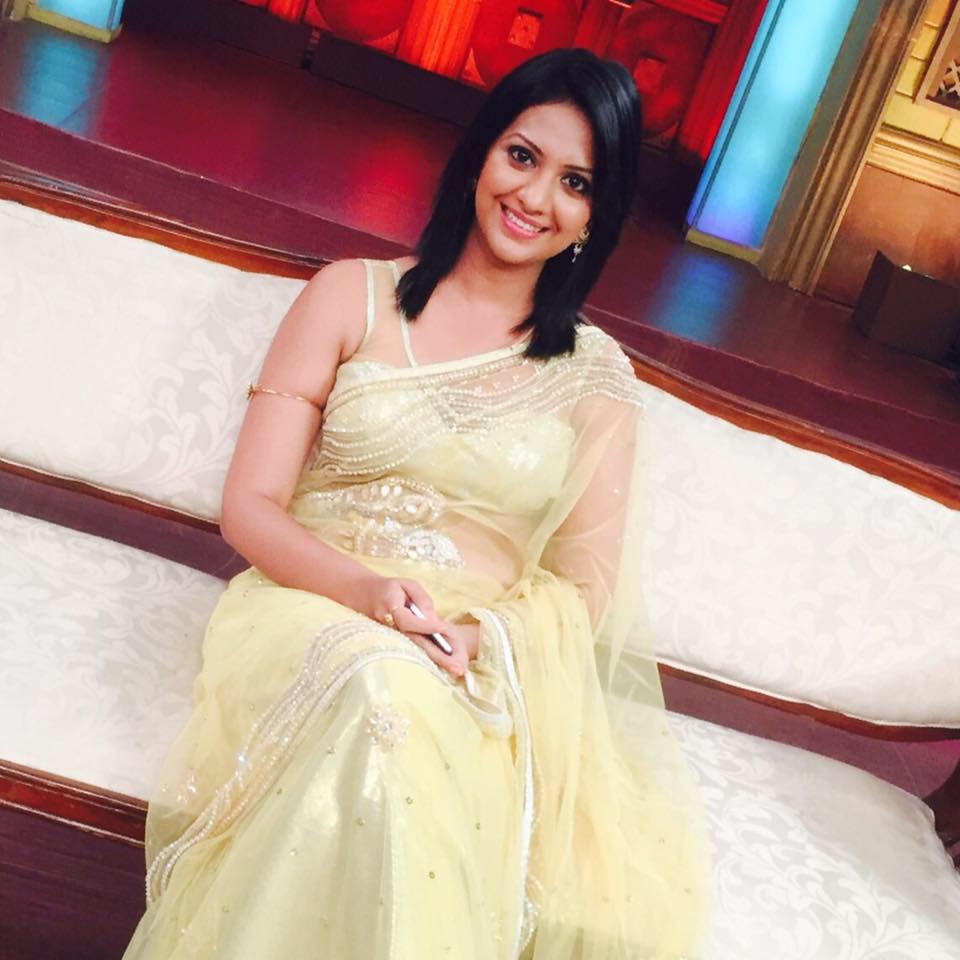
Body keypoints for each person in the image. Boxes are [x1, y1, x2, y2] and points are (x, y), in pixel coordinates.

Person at [122, 48, 711, 960]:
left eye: (576, 182)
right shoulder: (349, 296)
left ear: (597, 216)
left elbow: (586, 593)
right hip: (314, 608)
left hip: (467, 659)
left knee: (400, 709)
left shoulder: (596, 381)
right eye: (523, 156)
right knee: (376, 686)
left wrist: (477, 642)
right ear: (481, 154)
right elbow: (253, 505)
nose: (535, 197)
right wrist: (365, 596)